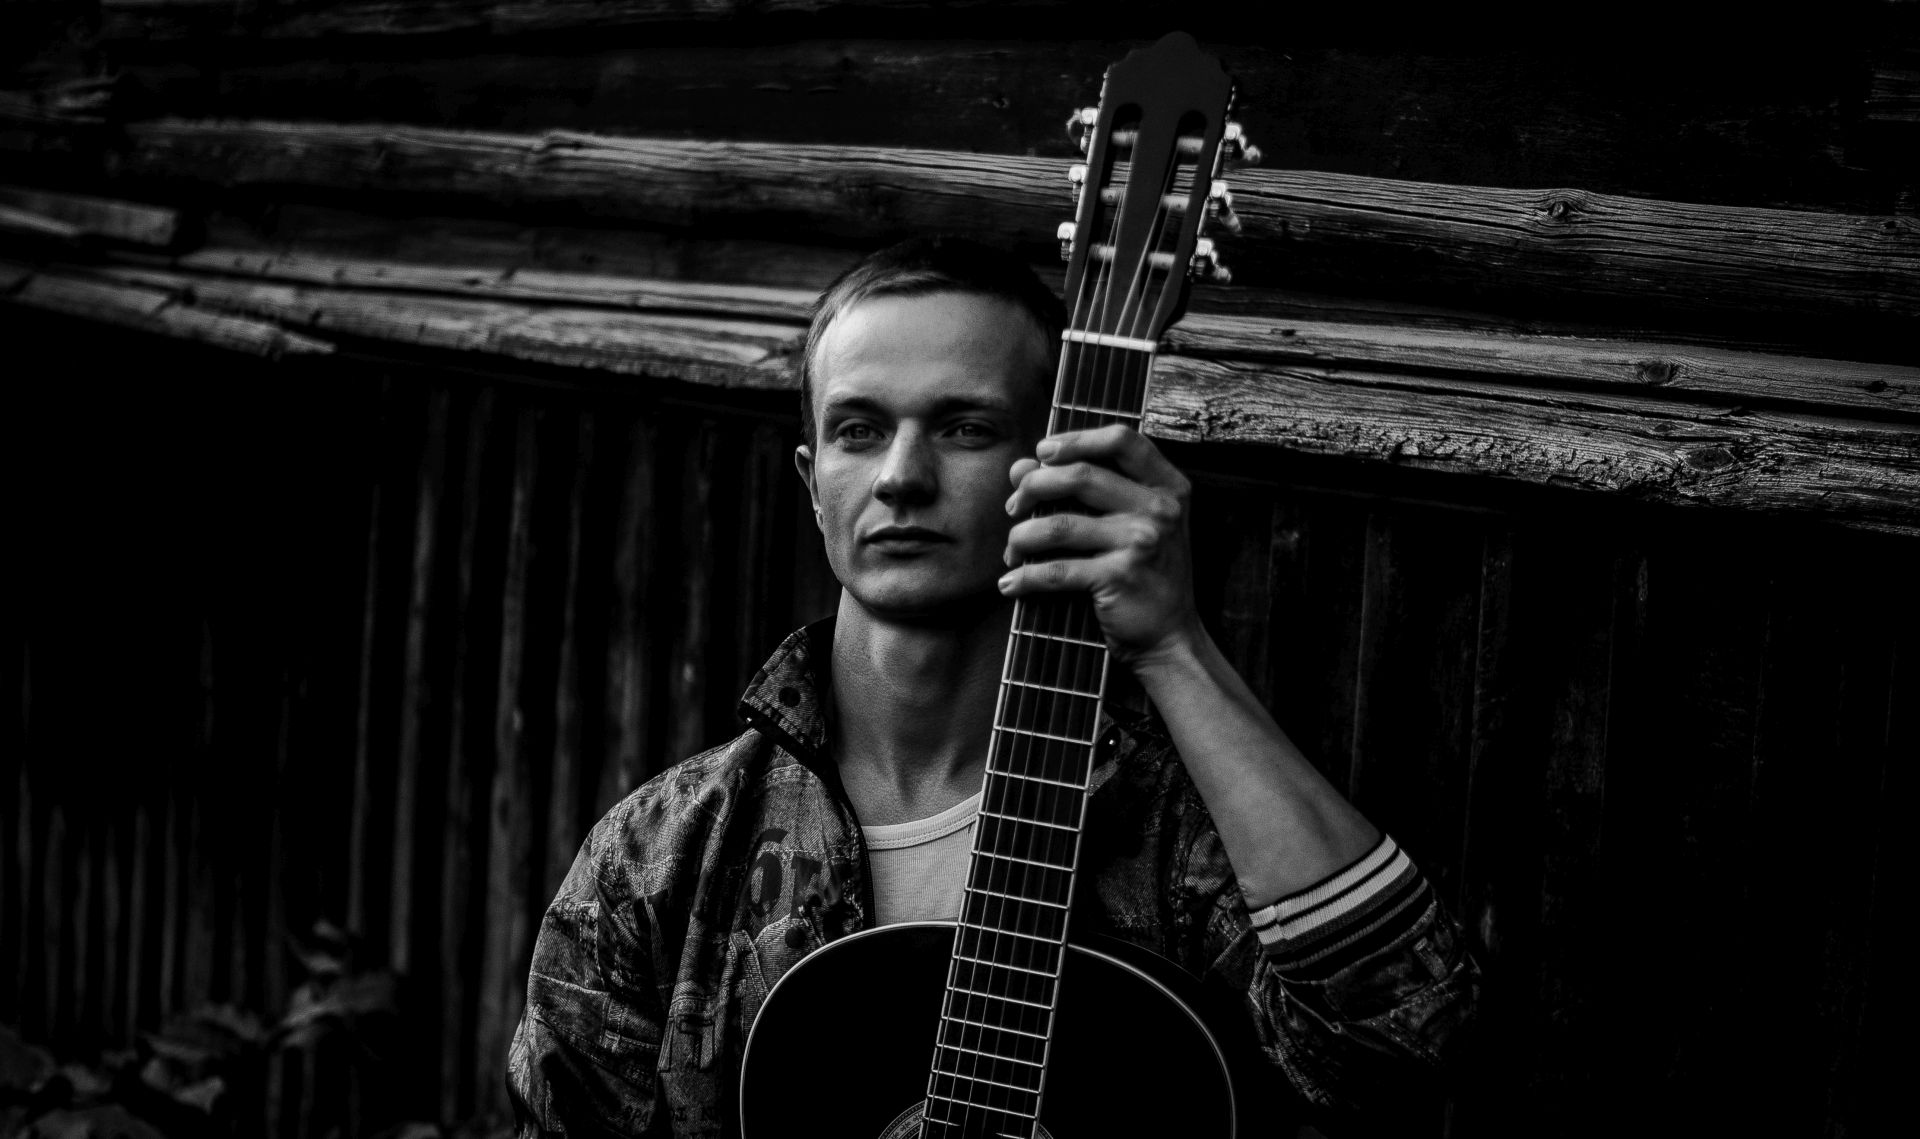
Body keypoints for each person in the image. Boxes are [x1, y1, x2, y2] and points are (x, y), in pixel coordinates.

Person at [506, 236, 1479, 1137]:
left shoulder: (1179, 830)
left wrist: (1172, 643)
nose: (901, 476)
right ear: (812, 481)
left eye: (964, 426)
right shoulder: (662, 852)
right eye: (858, 429)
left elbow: (1406, 1040)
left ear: (1049, 470)